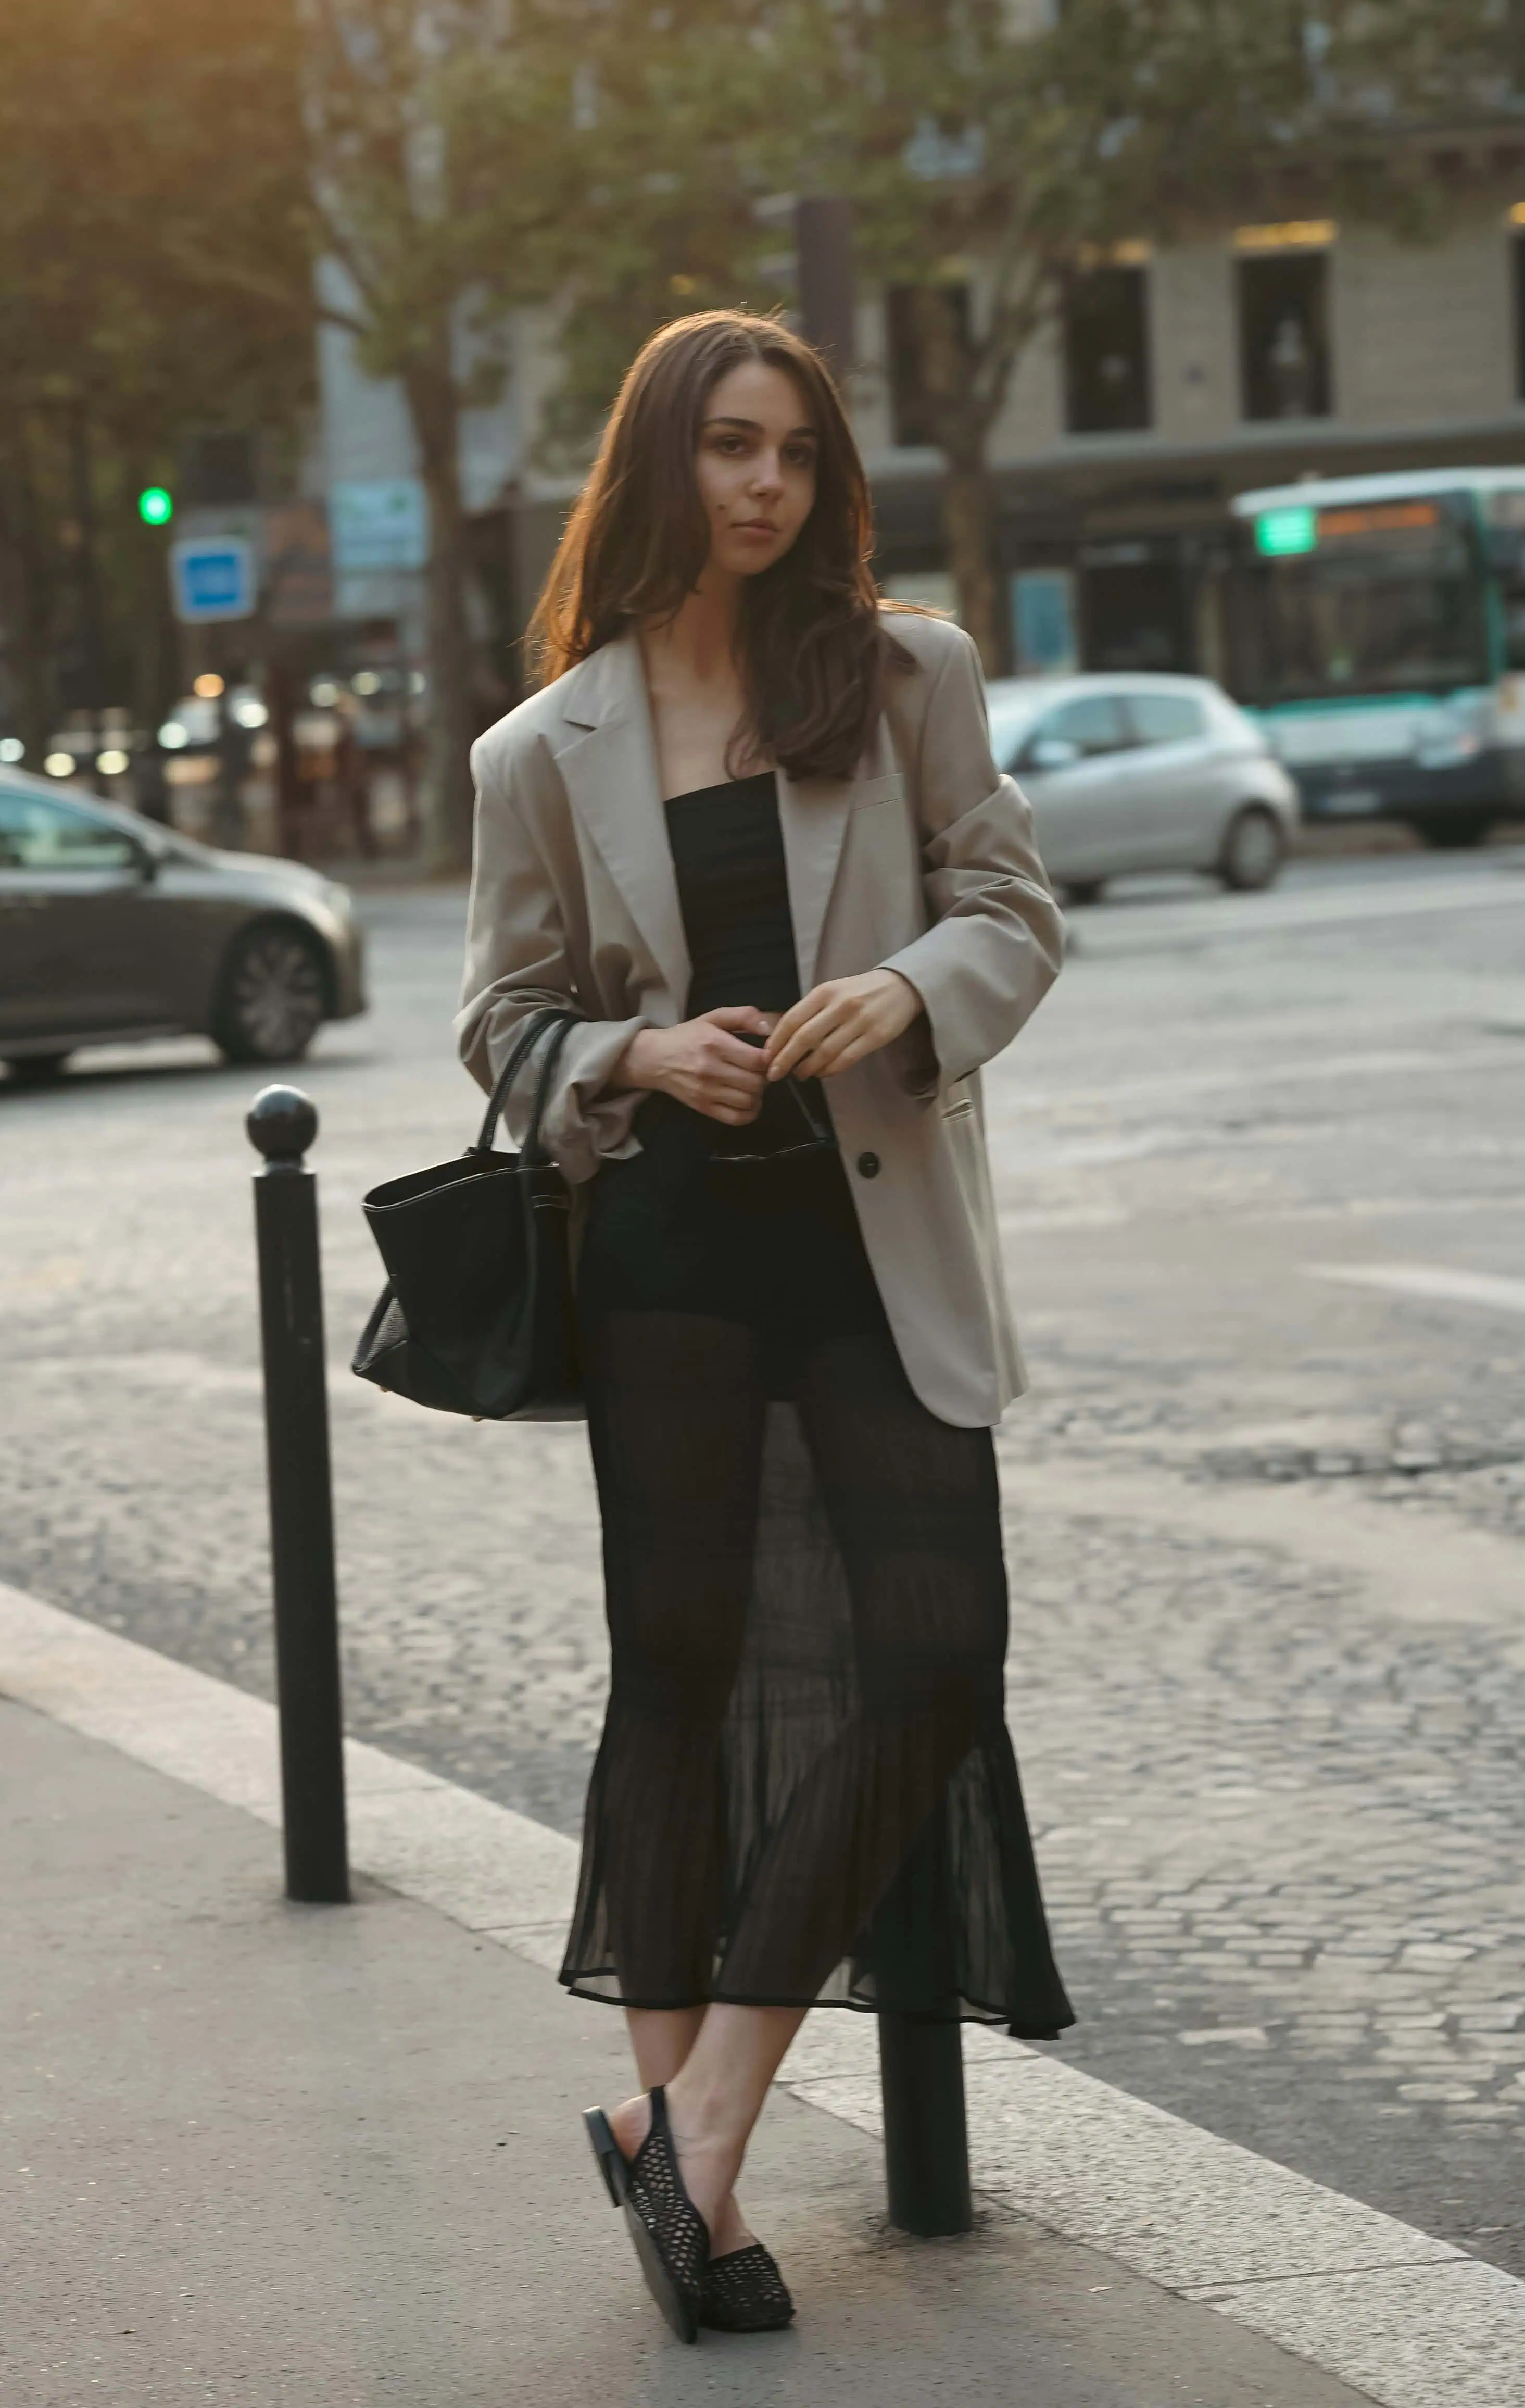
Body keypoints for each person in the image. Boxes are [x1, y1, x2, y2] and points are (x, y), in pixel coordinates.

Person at [458, 310, 1073, 2343]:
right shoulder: (541, 751)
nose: (763, 487)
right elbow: (505, 1019)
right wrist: (642, 1050)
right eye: (727, 448)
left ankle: (698, 2109)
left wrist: (899, 996)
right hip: (667, 1265)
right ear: (659, 465)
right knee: (684, 1676)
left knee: (933, 1651)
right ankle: (691, 2188)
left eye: (795, 453)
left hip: (867, 1240)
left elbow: (1010, 908)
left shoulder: (903, 676)